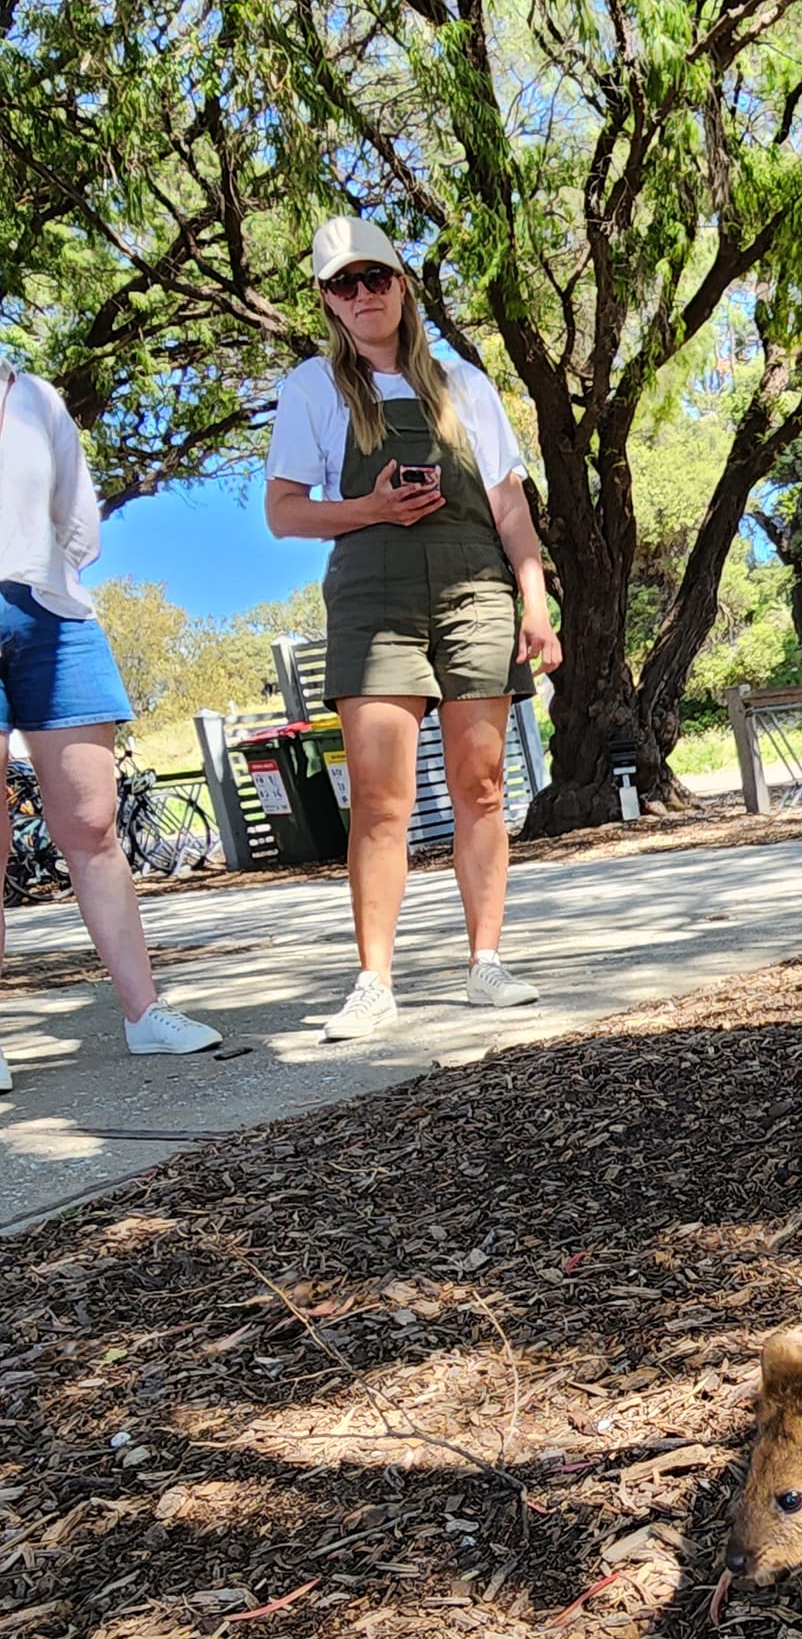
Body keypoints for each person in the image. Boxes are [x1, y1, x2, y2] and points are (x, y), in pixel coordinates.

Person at [265, 216, 560, 1041]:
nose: (363, 296)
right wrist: (372, 507)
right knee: (382, 797)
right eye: (343, 285)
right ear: (326, 300)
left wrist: (534, 601)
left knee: (483, 785)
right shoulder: (312, 391)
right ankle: (372, 980)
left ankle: (487, 962)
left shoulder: (465, 382)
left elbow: (509, 505)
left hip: (475, 588)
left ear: (402, 284)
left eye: (376, 278)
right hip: (373, 591)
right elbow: (284, 513)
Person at [0, 361, 222, 1093]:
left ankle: (144, 1010)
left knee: (94, 821)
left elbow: (76, 515)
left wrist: (51, 571)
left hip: (50, 612)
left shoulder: (33, 396)